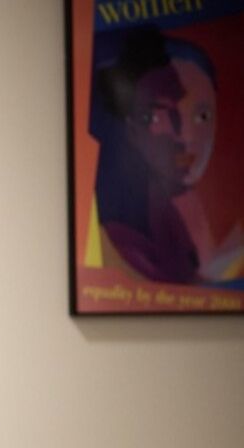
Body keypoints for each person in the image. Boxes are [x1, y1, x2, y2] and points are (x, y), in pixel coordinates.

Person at [90, 26, 243, 284]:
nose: (185, 136)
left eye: (202, 116)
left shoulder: (183, 204)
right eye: (157, 116)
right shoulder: (116, 228)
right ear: (131, 127)